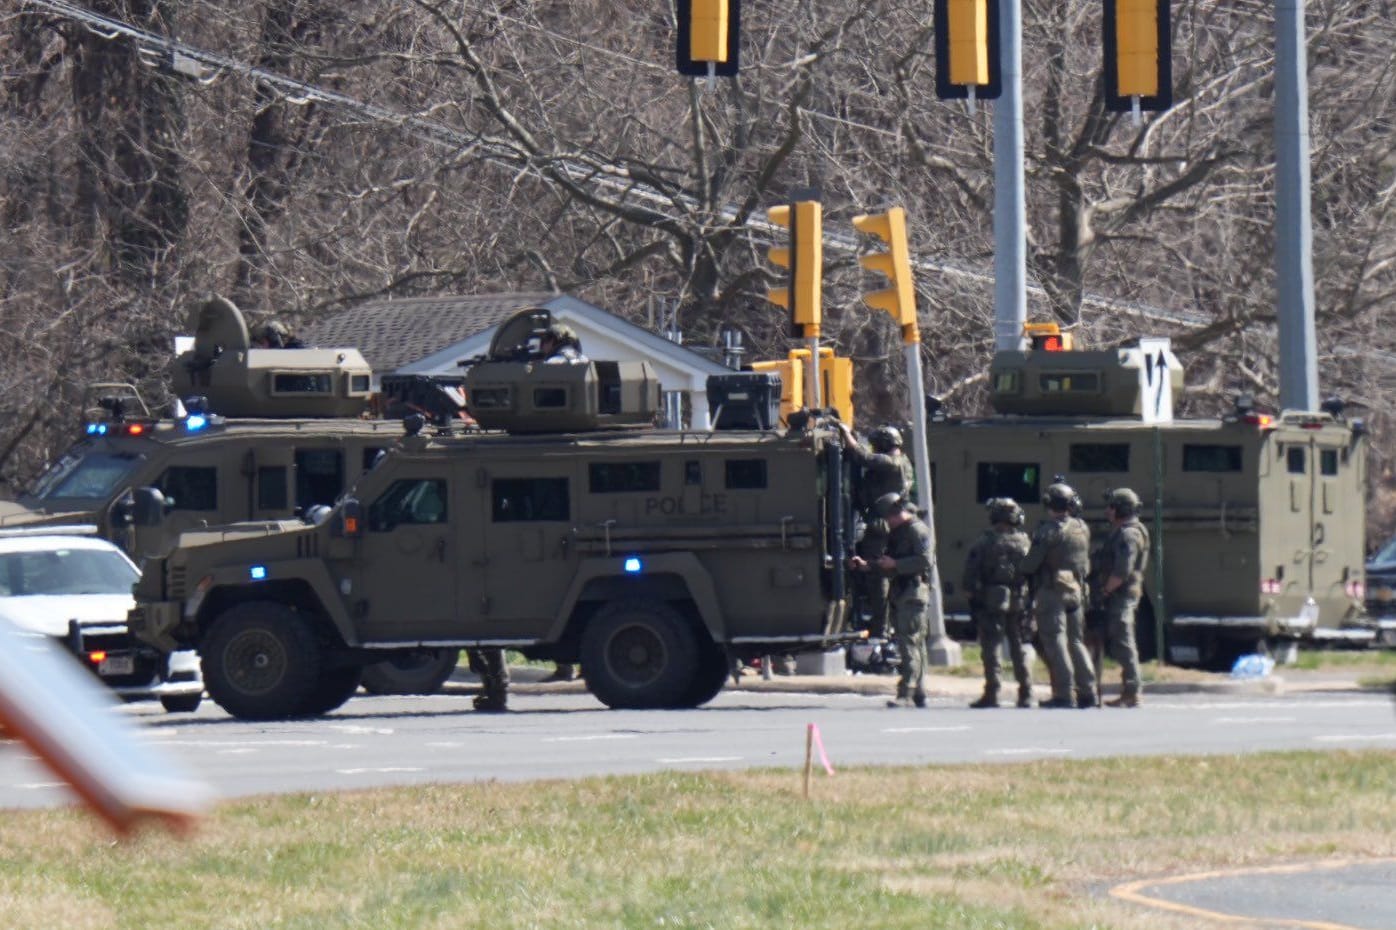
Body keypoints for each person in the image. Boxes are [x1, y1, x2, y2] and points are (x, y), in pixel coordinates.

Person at [1018, 481, 1097, 708]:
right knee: (1076, 641)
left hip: (1052, 590)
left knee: (1055, 641)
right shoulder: (1082, 527)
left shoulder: (1048, 531)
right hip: (1076, 590)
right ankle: (1087, 690)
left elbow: (1031, 564)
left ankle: (1063, 693)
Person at [850, 492, 930, 709]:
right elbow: (890, 563)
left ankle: (906, 692)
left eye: (888, 518)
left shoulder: (916, 530)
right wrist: (869, 565)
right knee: (912, 643)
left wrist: (895, 564)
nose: (887, 523)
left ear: (896, 513)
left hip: (912, 594)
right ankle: (918, 691)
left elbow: (924, 560)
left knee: (909, 644)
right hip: (901, 592)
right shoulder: (898, 533)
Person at [838, 422, 914, 642]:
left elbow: (863, 458)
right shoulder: (904, 461)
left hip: (881, 525)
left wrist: (846, 434)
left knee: (877, 575)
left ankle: (880, 628)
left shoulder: (891, 462)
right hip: (885, 521)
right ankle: (883, 625)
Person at [963, 497, 1033, 708]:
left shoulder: (985, 542)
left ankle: (992, 692)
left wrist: (973, 597)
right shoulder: (1025, 542)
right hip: (1019, 599)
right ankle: (1026, 692)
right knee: (1018, 646)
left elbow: (969, 577)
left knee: (991, 647)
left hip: (991, 600)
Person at [1097, 488, 1150, 707]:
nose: (1108, 511)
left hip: (1122, 593)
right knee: (1120, 639)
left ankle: (1132, 690)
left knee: (1124, 640)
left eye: (1112, 506)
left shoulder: (1129, 534)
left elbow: (1122, 571)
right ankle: (1129, 689)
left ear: (1121, 508)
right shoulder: (1123, 531)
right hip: (1119, 592)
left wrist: (1106, 590)